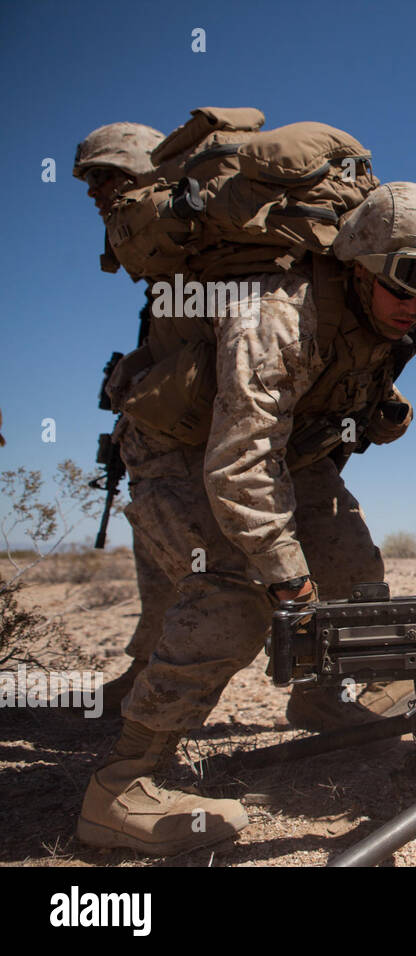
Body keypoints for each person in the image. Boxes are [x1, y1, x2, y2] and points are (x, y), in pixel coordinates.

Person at [77, 182, 416, 855]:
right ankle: (121, 784)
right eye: (408, 277)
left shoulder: (383, 317)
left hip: (286, 450)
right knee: (234, 596)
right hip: (180, 452)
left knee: (354, 574)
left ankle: (320, 696)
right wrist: (289, 581)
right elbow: (239, 465)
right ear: (359, 267)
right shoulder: (276, 316)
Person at [73, 123, 172, 716]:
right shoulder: (162, 271)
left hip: (205, 438)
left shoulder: (196, 251)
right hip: (160, 435)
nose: (94, 193)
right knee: (159, 556)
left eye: (105, 177)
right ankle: (146, 671)